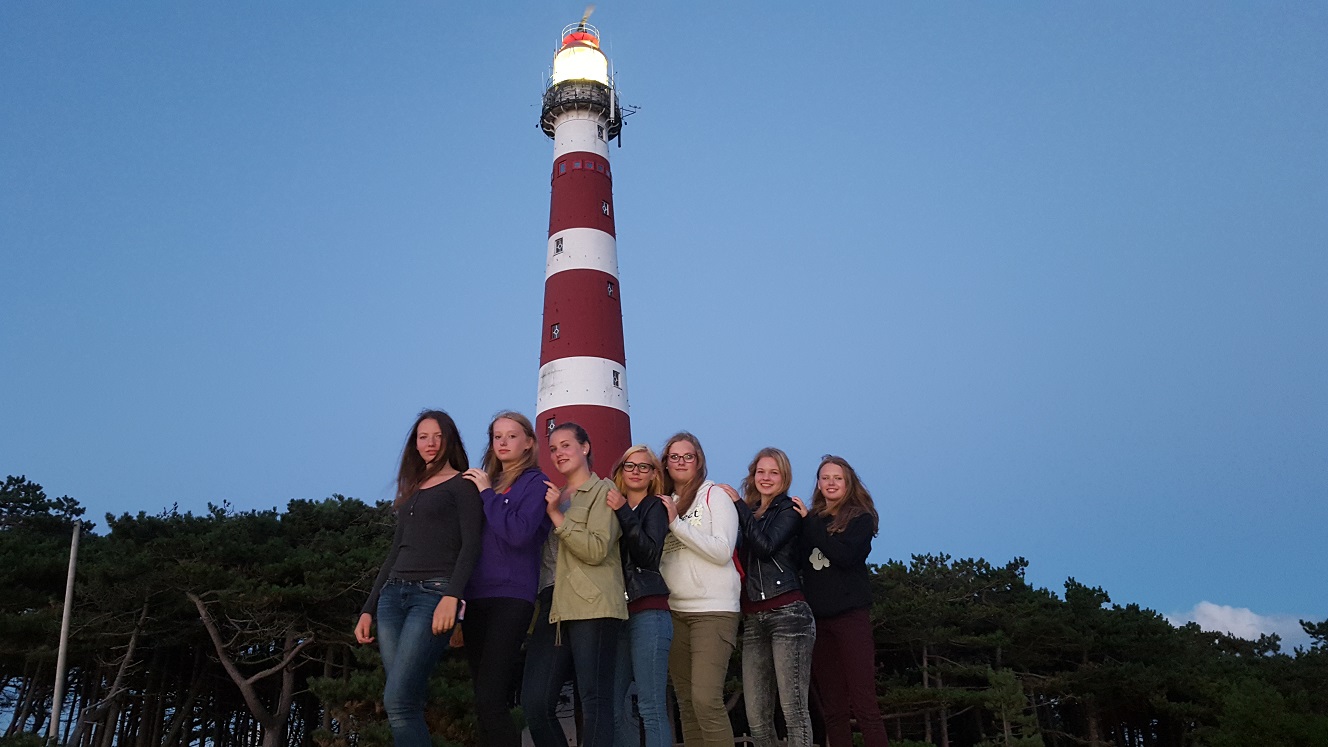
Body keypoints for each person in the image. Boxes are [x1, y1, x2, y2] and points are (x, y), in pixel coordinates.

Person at [354, 409, 483, 747]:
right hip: (391, 598)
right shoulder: (412, 488)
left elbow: (471, 545)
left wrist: (452, 597)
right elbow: (395, 550)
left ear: (450, 440)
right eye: (423, 437)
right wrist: (368, 608)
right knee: (403, 701)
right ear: (415, 443)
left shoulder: (463, 484)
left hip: (433, 595)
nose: (431, 443)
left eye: (438, 436)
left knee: (397, 700)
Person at [524, 422, 626, 747]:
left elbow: (596, 549)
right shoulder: (551, 495)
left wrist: (557, 516)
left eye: (566, 445)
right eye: (553, 448)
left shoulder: (603, 490)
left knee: (594, 699)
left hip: (592, 603)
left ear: (585, 447)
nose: (558, 453)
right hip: (552, 604)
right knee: (535, 703)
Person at [460, 412, 552, 747]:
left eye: (512, 436)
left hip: (511, 597)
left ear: (529, 442)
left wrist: (487, 494)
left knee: (491, 698)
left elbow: (518, 533)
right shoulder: (486, 483)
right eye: (497, 436)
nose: (502, 442)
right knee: (481, 701)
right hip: (475, 598)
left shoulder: (535, 483)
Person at [722, 448, 814, 747]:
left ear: (784, 477)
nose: (766, 478)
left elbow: (765, 547)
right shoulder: (748, 512)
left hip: (788, 614)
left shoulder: (789, 511)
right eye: (760, 471)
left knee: (794, 711)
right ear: (752, 475)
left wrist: (738, 506)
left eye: (773, 472)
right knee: (757, 719)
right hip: (753, 618)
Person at [795, 455, 888, 747]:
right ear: (818, 484)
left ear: (848, 483)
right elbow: (797, 560)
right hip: (819, 620)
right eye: (825, 478)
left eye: (837, 478)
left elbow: (845, 556)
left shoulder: (860, 519)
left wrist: (810, 525)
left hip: (851, 617)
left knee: (864, 703)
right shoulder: (811, 519)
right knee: (833, 709)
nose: (831, 483)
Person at [658, 431, 741, 747]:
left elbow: (722, 551)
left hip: (713, 610)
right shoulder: (664, 501)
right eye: (674, 457)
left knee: (706, 699)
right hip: (674, 611)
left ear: (699, 461)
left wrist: (676, 524)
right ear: (666, 463)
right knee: (687, 705)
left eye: (688, 456)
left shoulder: (714, 496)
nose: (681, 462)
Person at [606, 445, 673, 747]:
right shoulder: (609, 508)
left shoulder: (654, 507)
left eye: (644, 466)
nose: (636, 471)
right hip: (618, 612)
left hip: (649, 611)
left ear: (653, 474)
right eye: (630, 465)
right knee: (612, 705)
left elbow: (648, 555)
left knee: (650, 706)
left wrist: (623, 510)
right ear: (620, 471)